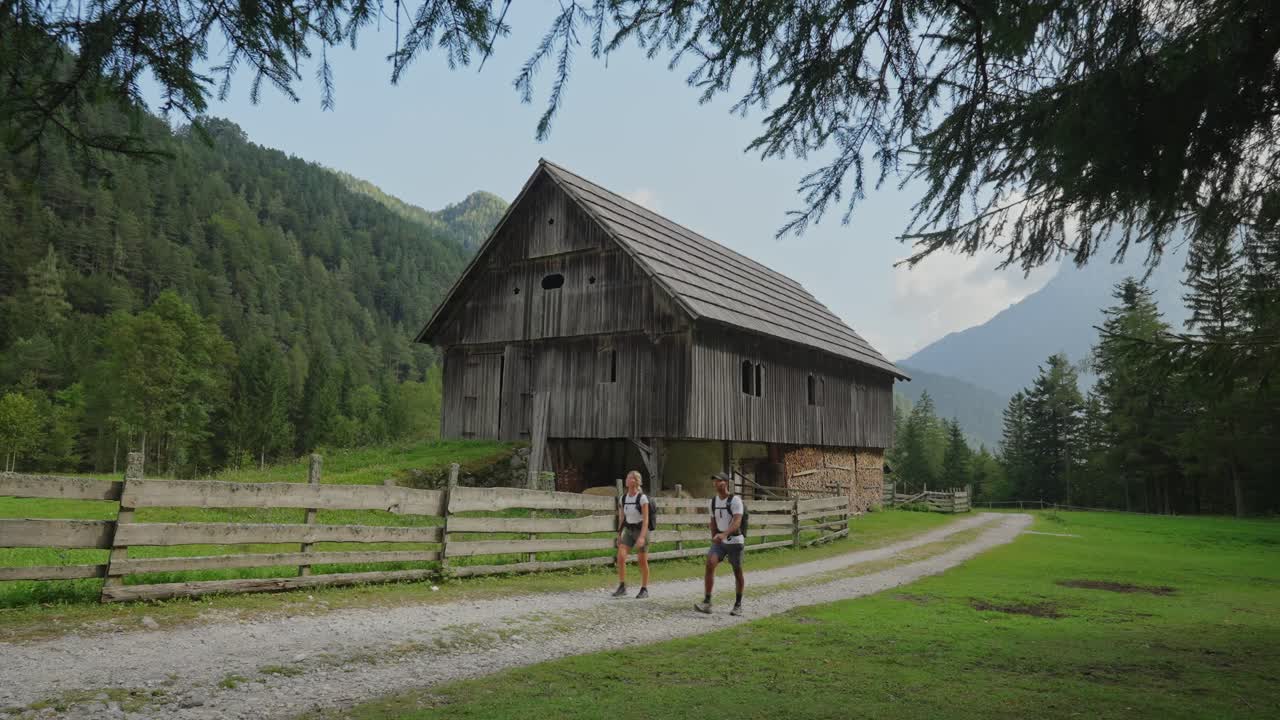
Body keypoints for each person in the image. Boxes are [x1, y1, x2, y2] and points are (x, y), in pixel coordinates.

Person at [694, 471, 744, 616]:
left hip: (734, 540)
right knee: (710, 563)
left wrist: (724, 534)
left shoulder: (735, 500)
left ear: (726, 483)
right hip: (720, 541)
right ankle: (707, 602)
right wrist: (714, 536)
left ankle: (738, 604)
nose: (715, 483)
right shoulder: (713, 501)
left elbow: (737, 522)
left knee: (737, 570)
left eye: (719, 481)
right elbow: (712, 521)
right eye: (714, 481)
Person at [612, 470, 650, 599]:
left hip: (640, 530)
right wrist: (619, 535)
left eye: (630, 478)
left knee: (642, 561)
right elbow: (622, 518)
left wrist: (642, 537)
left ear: (636, 481)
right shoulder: (623, 498)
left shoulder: (642, 498)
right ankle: (622, 586)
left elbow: (646, 520)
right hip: (628, 531)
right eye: (627, 477)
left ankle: (644, 589)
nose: (627, 480)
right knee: (621, 557)